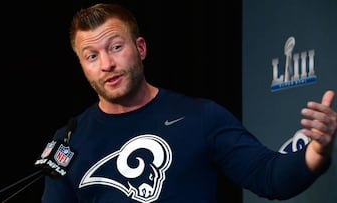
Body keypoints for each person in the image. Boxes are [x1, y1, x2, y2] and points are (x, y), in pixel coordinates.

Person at [41, 3, 337, 203]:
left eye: (116, 47)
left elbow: (269, 176)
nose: (106, 64)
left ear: (140, 48)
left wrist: (317, 152)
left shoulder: (200, 117)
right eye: (92, 55)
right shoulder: (67, 140)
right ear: (82, 65)